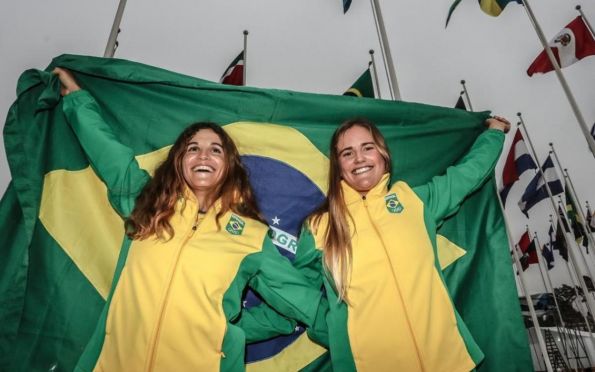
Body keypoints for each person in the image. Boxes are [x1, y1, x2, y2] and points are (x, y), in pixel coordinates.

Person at [53, 68, 321, 372]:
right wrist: (78, 101)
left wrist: (225, 333)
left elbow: (300, 305)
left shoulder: (251, 235)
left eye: (215, 150)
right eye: (193, 149)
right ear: (179, 162)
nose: (203, 156)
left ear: (229, 165)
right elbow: (110, 156)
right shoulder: (147, 203)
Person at [295, 116, 510, 372]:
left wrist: (494, 133)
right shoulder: (320, 226)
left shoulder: (414, 201)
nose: (359, 158)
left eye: (368, 147)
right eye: (347, 153)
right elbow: (297, 290)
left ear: (383, 154)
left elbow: (468, 174)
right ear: (338, 166)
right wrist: (334, 329)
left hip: (450, 362)